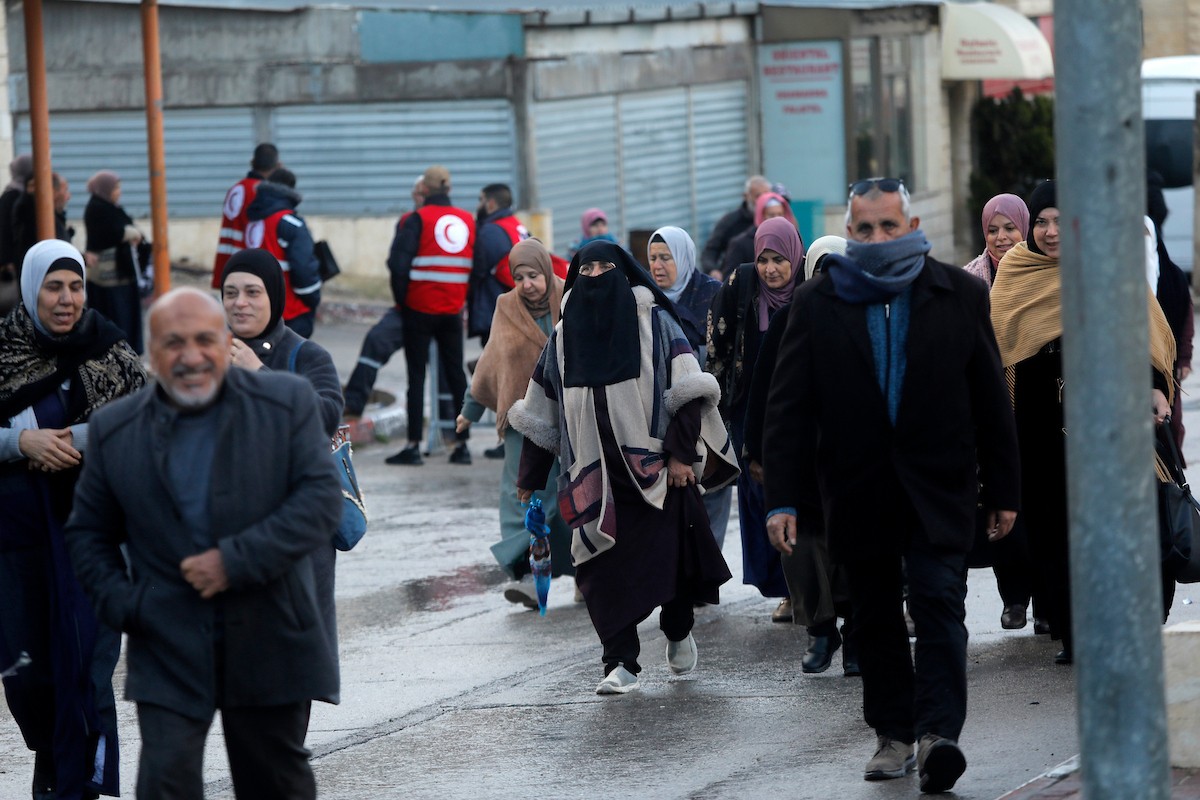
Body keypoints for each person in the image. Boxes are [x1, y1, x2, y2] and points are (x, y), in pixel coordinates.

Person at [763, 178, 1021, 792]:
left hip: (938, 486)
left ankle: (938, 735)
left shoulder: (956, 294)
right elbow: (789, 408)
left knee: (938, 607)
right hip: (858, 492)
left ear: (910, 227)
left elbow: (990, 399)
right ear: (850, 234)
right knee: (874, 616)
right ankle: (894, 734)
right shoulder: (819, 302)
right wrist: (783, 498)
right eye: (865, 229)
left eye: (888, 226)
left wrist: (1006, 491)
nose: (877, 238)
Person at [65, 287, 341, 800]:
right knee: (165, 781)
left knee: (274, 783)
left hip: (270, 631)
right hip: (167, 639)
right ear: (151, 350)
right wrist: (130, 606)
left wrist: (233, 561)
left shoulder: (286, 403)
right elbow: (88, 534)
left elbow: (319, 501)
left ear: (225, 342)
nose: (190, 357)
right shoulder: (115, 428)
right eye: (173, 343)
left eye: (203, 340)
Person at [510, 241, 739, 695]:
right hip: (592, 478)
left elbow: (689, 389)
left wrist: (678, 455)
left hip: (653, 472)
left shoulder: (654, 321)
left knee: (669, 568)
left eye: (605, 266)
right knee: (598, 570)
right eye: (586, 267)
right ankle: (620, 662)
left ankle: (677, 629)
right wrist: (530, 477)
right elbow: (543, 407)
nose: (595, 276)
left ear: (624, 272)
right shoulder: (563, 333)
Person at [990, 180, 1175, 665]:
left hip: (1103, 417)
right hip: (1037, 420)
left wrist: (1154, 384)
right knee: (1052, 531)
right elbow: (998, 340)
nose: (1051, 232)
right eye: (1042, 222)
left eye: (1060, 221)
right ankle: (1073, 634)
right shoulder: (1016, 270)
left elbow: (1144, 327)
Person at [1, 240, 146, 800]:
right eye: (54, 286)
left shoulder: (109, 350)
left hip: (93, 536)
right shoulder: (3, 349)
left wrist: (74, 441)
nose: (66, 299)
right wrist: (21, 442)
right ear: (31, 286)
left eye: (76, 285)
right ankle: (52, 757)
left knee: (86, 665)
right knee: (27, 673)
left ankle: (76, 783)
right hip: (16, 542)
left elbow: (143, 423)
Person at [220, 248, 344, 694]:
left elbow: (325, 415)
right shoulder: (206, 355)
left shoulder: (304, 356)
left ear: (274, 296)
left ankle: (286, 755)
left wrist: (259, 375)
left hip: (296, 532)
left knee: (292, 658)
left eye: (253, 292)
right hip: (228, 530)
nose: (240, 303)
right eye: (230, 293)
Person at [742, 234, 858, 676]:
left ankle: (859, 635)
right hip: (799, 460)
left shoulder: (865, 316)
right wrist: (756, 450)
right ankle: (821, 629)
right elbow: (764, 392)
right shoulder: (790, 321)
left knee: (853, 549)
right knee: (801, 548)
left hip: (851, 460)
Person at [455, 239, 575, 606]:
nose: (527, 284)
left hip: (567, 419)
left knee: (570, 495)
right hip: (520, 421)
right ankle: (524, 574)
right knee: (523, 496)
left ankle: (583, 573)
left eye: (534, 275)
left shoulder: (569, 299)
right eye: (519, 277)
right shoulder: (505, 307)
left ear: (546, 271)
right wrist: (469, 410)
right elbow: (492, 361)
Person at [706, 216, 803, 622]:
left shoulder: (809, 293)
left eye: (779, 259)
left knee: (797, 494)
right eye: (764, 259)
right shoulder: (742, 287)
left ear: (795, 258)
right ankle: (784, 590)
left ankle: (805, 587)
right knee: (759, 496)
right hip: (749, 413)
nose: (771, 269)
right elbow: (718, 345)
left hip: (797, 410)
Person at [959, 194, 1045, 635]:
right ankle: (1011, 596)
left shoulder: (1039, 274)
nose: (1001, 238)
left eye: (1009, 228)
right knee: (993, 504)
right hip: (985, 413)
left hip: (1035, 405)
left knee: (1036, 506)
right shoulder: (969, 281)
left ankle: (1035, 598)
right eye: (993, 229)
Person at [646, 226, 732, 549]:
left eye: (666, 258)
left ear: (683, 257)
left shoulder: (713, 294)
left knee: (711, 486)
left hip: (711, 409)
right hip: (664, 410)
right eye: (653, 258)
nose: (658, 266)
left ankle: (707, 568)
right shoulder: (645, 298)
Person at [384, 165, 474, 467]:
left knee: (416, 377)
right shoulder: (466, 220)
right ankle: (462, 445)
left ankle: (412, 445)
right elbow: (474, 265)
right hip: (452, 309)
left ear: (424, 189)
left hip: (418, 309)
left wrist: (402, 302)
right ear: (448, 189)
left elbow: (398, 264)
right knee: (456, 375)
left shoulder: (417, 219)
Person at [342, 175, 425, 419]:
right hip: (407, 306)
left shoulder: (447, 223)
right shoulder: (408, 222)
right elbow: (397, 264)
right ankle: (355, 402)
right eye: (417, 193)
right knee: (375, 341)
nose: (419, 198)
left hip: (436, 310)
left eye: (423, 194)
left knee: (440, 365)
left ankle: (451, 418)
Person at [1147, 172, 1194, 459]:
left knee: (1169, 425)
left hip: (1168, 367)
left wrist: (1185, 358)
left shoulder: (1172, 276)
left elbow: (1186, 317)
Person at [244, 167, 322, 338]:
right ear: (291, 191)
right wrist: (313, 298)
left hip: (259, 310)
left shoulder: (253, 221)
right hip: (290, 312)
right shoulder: (291, 223)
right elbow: (304, 268)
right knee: (288, 360)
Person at [83, 170, 149, 354]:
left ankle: (128, 356)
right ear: (105, 189)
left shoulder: (110, 207)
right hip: (107, 279)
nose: (119, 191)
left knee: (126, 318)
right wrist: (133, 233)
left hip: (121, 275)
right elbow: (114, 233)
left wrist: (132, 232)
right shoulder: (97, 208)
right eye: (116, 188)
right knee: (115, 318)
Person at [212, 143, 279, 289]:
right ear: (277, 165)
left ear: (252, 162)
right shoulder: (265, 193)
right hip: (251, 269)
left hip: (229, 263)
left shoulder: (236, 188)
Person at [468, 183, 529, 342]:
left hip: (497, 308)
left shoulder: (491, 231)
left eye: (480, 200)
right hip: (521, 305)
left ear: (491, 203)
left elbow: (479, 271)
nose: (478, 205)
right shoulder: (517, 225)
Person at [700, 174, 771, 279]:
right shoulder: (730, 222)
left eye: (767, 196)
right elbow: (710, 251)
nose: (763, 201)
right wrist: (713, 270)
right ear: (746, 196)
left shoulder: (775, 221)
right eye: (758, 196)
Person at [720, 190, 798, 278]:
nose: (777, 219)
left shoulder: (791, 240)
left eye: (780, 214)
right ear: (760, 216)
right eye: (771, 215)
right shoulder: (740, 244)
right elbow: (730, 279)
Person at [963, 193, 1028, 289]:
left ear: (1024, 229)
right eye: (993, 231)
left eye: (1009, 228)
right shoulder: (967, 279)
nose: (1001, 237)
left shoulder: (1045, 270)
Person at [13, 173, 73, 269]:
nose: (68, 196)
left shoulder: (52, 215)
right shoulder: (36, 215)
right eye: (65, 190)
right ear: (52, 191)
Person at [0, 153, 33, 314]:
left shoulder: (15, 193)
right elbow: (5, 231)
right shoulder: (13, 196)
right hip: (14, 262)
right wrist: (8, 262)